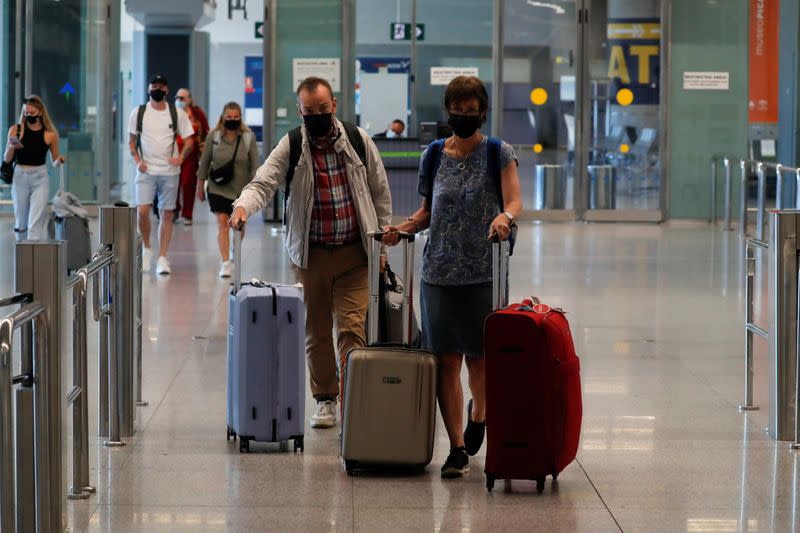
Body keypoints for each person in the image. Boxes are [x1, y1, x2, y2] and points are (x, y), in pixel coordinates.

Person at [229, 76, 392, 429]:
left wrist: (380, 245)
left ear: (333, 105)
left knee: (351, 328)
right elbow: (263, 182)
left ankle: (352, 396)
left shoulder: (358, 141)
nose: (317, 116)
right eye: (309, 112)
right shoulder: (291, 145)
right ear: (300, 112)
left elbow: (379, 192)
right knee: (316, 330)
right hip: (311, 256)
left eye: (322, 109)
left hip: (354, 254)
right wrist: (243, 207)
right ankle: (325, 399)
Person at [383, 75, 522, 478]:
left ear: (483, 111)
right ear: (448, 112)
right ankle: (457, 448)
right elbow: (428, 210)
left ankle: (479, 414)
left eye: (471, 110)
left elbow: (514, 199)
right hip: (438, 273)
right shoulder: (432, 154)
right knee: (446, 360)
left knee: (480, 359)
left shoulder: (498, 151)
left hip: (483, 271)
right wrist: (403, 228)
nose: (464, 116)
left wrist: (505, 216)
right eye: (457, 111)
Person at [128, 74, 195, 275]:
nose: (157, 89)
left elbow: (190, 140)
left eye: (161, 86)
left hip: (169, 171)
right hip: (146, 170)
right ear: (149, 88)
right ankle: (147, 247)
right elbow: (132, 142)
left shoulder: (176, 113)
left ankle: (162, 257)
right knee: (142, 211)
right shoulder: (139, 113)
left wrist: (180, 158)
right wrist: (138, 161)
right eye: (154, 85)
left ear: (166, 90)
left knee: (167, 214)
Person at [196, 102, 259, 278]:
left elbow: (254, 165)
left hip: (241, 191)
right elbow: (205, 162)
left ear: (240, 118)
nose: (232, 120)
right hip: (218, 188)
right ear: (222, 117)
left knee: (238, 226)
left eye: (235, 117)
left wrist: (256, 190)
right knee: (222, 222)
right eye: (228, 117)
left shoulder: (248, 138)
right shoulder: (213, 137)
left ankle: (233, 249)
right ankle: (225, 263)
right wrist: (200, 186)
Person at [4, 95, 65, 240]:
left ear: (40, 112)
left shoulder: (50, 135)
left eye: (32, 113)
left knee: (35, 222)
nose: (28, 116)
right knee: (21, 222)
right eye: (26, 113)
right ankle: (21, 255)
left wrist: (59, 161)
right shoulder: (16, 130)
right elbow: (6, 159)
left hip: (40, 177)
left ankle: (33, 257)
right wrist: (12, 147)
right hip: (20, 176)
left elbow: (54, 160)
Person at [174, 88, 209, 226]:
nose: (179, 100)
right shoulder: (171, 113)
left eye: (182, 98)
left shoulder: (197, 113)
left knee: (188, 183)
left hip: (191, 154)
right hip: (173, 153)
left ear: (189, 99)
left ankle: (187, 214)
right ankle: (174, 209)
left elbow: (205, 130)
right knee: (173, 183)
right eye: (177, 97)